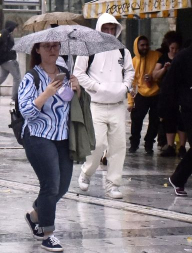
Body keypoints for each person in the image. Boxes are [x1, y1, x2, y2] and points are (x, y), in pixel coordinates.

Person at [18, 41, 80, 252]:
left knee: (62, 186)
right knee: (50, 184)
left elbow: (72, 104)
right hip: (38, 135)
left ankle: (35, 215)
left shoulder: (65, 73)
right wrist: (45, 94)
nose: (52, 50)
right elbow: (26, 111)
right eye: (47, 47)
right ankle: (48, 234)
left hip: (62, 136)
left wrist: (77, 90)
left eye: (55, 46)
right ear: (38, 50)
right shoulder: (31, 77)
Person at [73, 13, 134, 199]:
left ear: (117, 30)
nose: (109, 32)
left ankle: (113, 184)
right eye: (105, 28)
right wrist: (96, 87)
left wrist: (124, 87)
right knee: (97, 144)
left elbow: (130, 72)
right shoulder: (87, 49)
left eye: (112, 29)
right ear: (99, 29)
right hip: (96, 105)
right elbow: (79, 73)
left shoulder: (123, 51)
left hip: (117, 105)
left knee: (118, 146)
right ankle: (86, 172)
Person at [161, 43, 192, 196]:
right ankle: (177, 179)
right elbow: (170, 84)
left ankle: (177, 179)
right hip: (188, 107)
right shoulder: (184, 56)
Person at [127, 36, 161, 155]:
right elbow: (131, 82)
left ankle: (149, 144)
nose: (145, 47)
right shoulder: (134, 61)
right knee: (136, 120)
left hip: (156, 94)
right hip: (141, 94)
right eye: (142, 45)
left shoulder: (156, 56)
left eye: (147, 44)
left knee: (155, 122)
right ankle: (134, 144)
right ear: (137, 47)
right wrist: (130, 102)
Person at [154, 33, 185, 157]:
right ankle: (170, 145)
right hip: (167, 93)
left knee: (182, 119)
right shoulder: (163, 58)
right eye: (172, 48)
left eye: (176, 49)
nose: (174, 51)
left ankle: (182, 146)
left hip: (181, 92)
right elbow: (154, 75)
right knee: (169, 119)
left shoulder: (182, 57)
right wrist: (164, 69)